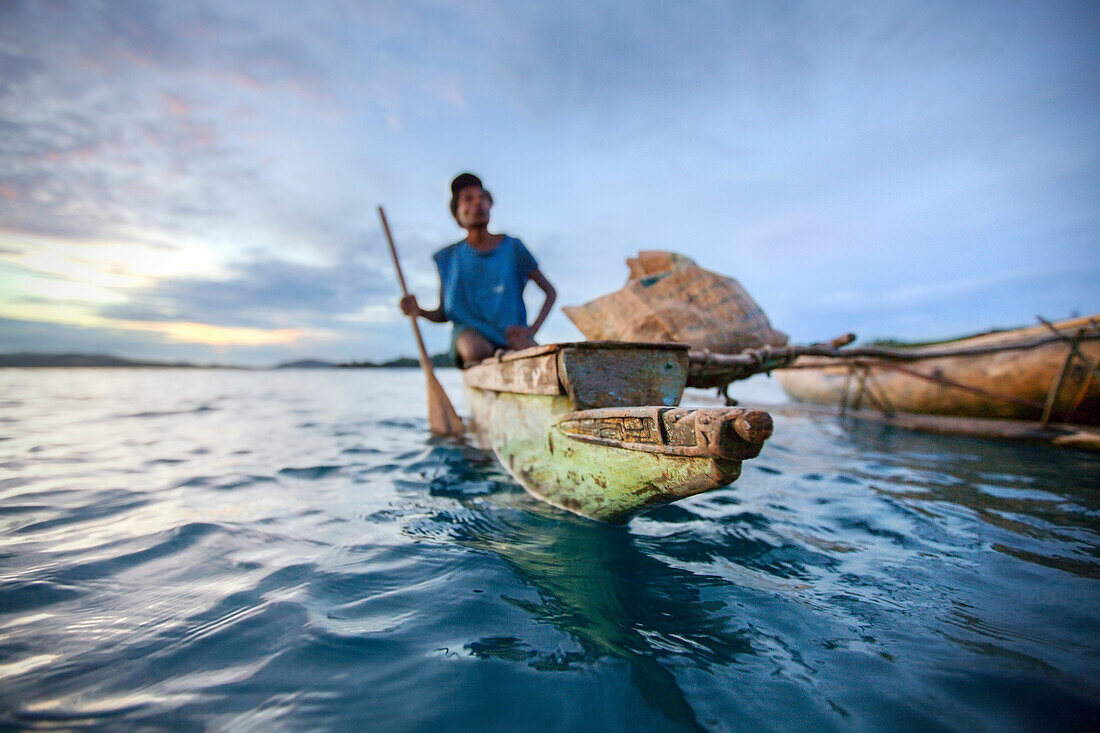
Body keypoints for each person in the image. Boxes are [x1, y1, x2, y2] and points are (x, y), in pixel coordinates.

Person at [400, 173, 557, 367]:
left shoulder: (513, 248)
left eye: (482, 197)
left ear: (490, 205)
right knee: (476, 349)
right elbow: (444, 313)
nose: (477, 203)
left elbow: (550, 292)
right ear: (457, 213)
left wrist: (531, 331)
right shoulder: (448, 258)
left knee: (538, 360)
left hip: (511, 334)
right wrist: (419, 311)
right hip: (470, 336)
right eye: (468, 199)